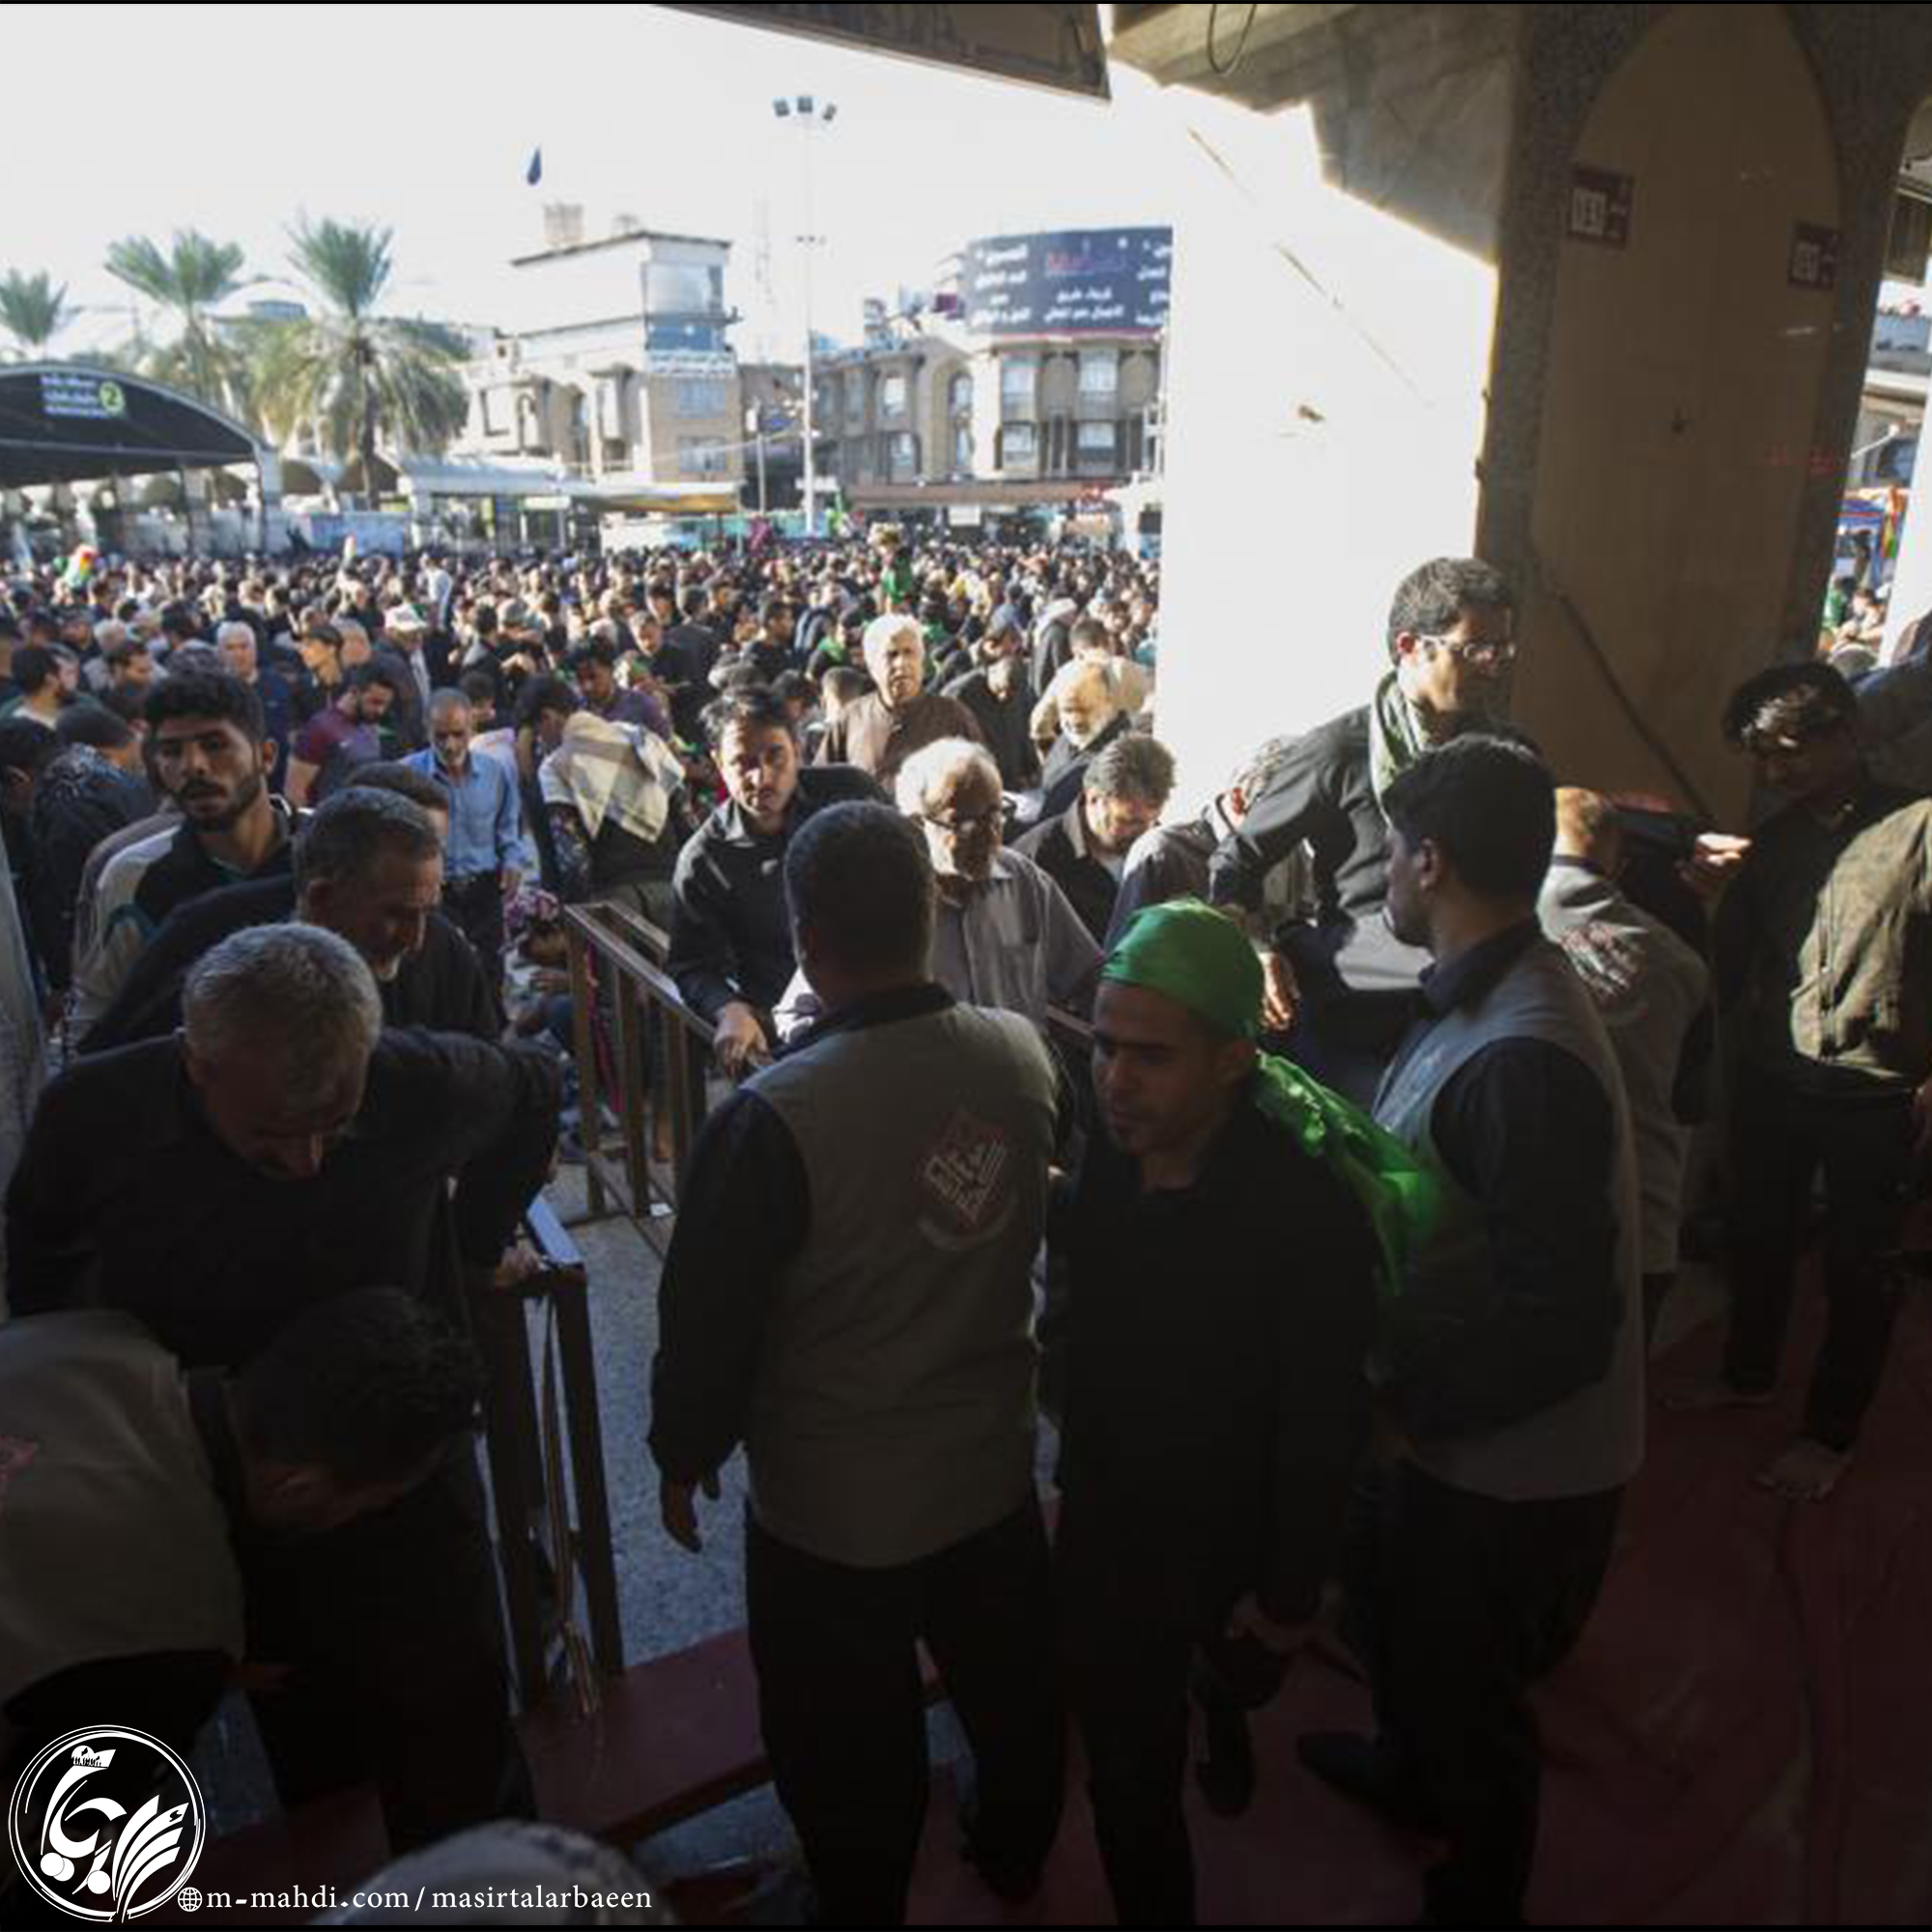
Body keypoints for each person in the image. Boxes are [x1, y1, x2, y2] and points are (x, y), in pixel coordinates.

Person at [8, 924, 557, 1849]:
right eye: (268, 1137)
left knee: (456, 1722)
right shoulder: (95, 1116)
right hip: (222, 1482)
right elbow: (40, 1270)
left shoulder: (420, 1081)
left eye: (336, 1128)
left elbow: (536, 1090)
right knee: (307, 1728)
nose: (305, 1162)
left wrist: (473, 1249)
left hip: (399, 1457)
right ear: (198, 1065)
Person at [651, 803, 1065, 1923]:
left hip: (834, 1510)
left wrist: (683, 1449)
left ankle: (858, 1894)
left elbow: (708, 1318)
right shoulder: (1018, 1053)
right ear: (928, 913)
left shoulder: (773, 1116)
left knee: (843, 1736)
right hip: (989, 1464)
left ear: (805, 938)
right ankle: (1015, 1851)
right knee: (1011, 1690)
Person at [1301, 735, 1643, 1930]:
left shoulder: (1520, 1054)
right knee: (1404, 1636)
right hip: (1458, 1434)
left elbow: (1560, 1322)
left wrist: (1403, 1412)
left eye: (1390, 848)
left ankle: (1479, 1884)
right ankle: (1407, 1773)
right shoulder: (1478, 991)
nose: (1383, 872)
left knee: (1469, 1694)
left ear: (1428, 859)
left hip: (1507, 1467)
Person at [1051, 901, 1384, 1926]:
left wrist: (1289, 1592)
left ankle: (1221, 1712)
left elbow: (1321, 1419)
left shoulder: (1305, 1212)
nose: (1113, 1078)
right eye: (1103, 1045)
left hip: (1229, 1543)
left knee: (1229, 1677)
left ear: (1234, 1059)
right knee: (1125, 1776)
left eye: (1150, 1056)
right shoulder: (1113, 1149)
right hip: (1112, 1525)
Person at [0, 1291, 483, 1779]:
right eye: (368, 1505)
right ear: (298, 1488)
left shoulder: (94, 1335)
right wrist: (171, 1681)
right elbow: (55, 1822)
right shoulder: (180, 1628)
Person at [1665, 663, 1932, 1501]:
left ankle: (1830, 1433)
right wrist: (1702, 898)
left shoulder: (1919, 828)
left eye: (1790, 752)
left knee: (1860, 1269)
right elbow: (1733, 966)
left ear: (1844, 734)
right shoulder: (1771, 842)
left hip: (1879, 1090)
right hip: (1775, 1078)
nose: (1776, 772)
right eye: (1763, 758)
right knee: (1759, 1239)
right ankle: (1747, 1375)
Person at [1209, 556, 1519, 1106]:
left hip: (1465, 1017)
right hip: (1357, 1022)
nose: (1491, 668)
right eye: (1474, 649)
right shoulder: (1339, 751)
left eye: (1501, 650)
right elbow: (1237, 862)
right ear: (1410, 646)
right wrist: (1256, 949)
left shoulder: (1502, 758)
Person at [82, 785, 496, 1051]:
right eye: (395, 914)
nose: (415, 938)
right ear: (321, 898)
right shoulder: (206, 934)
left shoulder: (443, 951)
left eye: (427, 911)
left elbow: (497, 1082)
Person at [774, 738, 1098, 1039]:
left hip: (1019, 1074)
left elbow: (1088, 977)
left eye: (996, 815)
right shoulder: (879, 896)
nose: (989, 836)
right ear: (917, 824)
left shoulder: (1024, 880)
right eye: (966, 823)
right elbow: (796, 1014)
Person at [1539, 787, 1711, 1342]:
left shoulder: (1497, 925)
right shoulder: (1684, 964)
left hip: (1532, 1213)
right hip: (1643, 1217)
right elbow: (1692, 1099)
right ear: (1622, 866)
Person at [668, 688, 880, 1078]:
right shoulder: (704, 859)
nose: (761, 777)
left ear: (797, 748)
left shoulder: (851, 795)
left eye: (774, 756)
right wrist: (728, 1008)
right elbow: (692, 964)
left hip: (881, 1012)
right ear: (718, 763)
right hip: (790, 1040)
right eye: (742, 763)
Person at [71, 669, 294, 1040]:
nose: (193, 766)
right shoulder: (132, 876)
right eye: (172, 751)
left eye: (215, 745)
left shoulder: (326, 854)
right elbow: (97, 1013)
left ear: (266, 756)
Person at [1103, 736, 1298, 952]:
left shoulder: (1290, 848)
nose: (1288, 830)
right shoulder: (1162, 853)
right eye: (1276, 817)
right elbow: (1122, 958)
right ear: (1238, 799)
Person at [406, 688, 526, 996]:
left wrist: (513, 861)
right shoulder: (407, 775)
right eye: (440, 736)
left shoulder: (495, 772)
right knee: (441, 979)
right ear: (427, 730)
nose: (450, 745)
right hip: (435, 896)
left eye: (458, 734)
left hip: (485, 892)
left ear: (472, 727)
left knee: (489, 977)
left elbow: (508, 827)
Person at [1016, 734, 1175, 945]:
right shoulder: (1034, 864)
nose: (1145, 834)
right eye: (1128, 821)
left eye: (1152, 821)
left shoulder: (1161, 851)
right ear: (1093, 798)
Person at [814, 613, 982, 790]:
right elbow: (820, 786)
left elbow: (983, 785)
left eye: (909, 652)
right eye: (891, 655)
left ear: (921, 661)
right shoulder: (851, 718)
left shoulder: (953, 716)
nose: (902, 663)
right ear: (871, 666)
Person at [285, 662, 401, 807]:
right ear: (354, 691)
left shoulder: (369, 725)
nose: (381, 711)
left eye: (385, 705)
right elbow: (294, 793)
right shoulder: (319, 729)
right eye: (375, 702)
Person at [944, 617, 1039, 792]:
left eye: (1010, 694)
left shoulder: (1020, 686)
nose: (1004, 697)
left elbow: (1022, 730)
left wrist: (1030, 768)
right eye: (1000, 689)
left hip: (1012, 782)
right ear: (992, 673)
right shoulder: (961, 693)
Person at [1033, 660, 1132, 824]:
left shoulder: (1120, 758)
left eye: (1085, 709)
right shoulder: (1068, 740)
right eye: (1067, 709)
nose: (1075, 720)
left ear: (1109, 702)